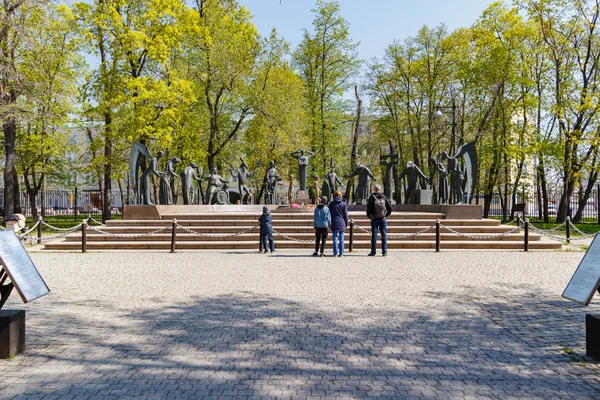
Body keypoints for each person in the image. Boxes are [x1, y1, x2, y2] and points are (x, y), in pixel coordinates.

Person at [366, 185, 392, 256]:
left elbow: (368, 209)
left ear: (374, 190)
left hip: (374, 218)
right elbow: (390, 207)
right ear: (380, 190)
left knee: (374, 235)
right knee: (383, 235)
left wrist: (371, 217)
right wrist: (385, 215)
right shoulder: (384, 196)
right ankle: (384, 252)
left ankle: (373, 251)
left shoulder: (372, 197)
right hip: (383, 218)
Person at [329, 190, 348, 257]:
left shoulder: (331, 204)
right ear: (340, 196)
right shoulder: (343, 203)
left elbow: (329, 214)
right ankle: (341, 253)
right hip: (341, 221)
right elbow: (345, 214)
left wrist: (329, 223)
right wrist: (346, 223)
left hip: (334, 221)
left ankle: (335, 253)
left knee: (335, 238)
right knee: (341, 238)